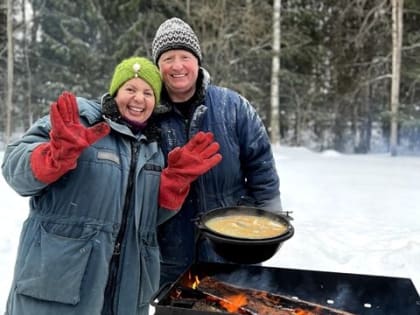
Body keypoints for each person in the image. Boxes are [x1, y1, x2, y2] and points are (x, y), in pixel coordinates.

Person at [1, 56, 221, 315]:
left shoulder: (152, 146)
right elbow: (14, 169)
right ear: (116, 91)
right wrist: (54, 155)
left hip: (125, 291)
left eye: (148, 92)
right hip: (59, 285)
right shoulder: (80, 121)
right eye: (130, 89)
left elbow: (145, 219)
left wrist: (174, 183)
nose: (139, 99)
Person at [151, 17, 283, 285]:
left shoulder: (233, 107)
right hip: (168, 250)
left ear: (197, 61)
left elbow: (261, 169)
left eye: (185, 56)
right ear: (158, 66)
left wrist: (271, 224)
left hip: (230, 245)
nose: (177, 66)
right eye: (168, 58)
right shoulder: (147, 113)